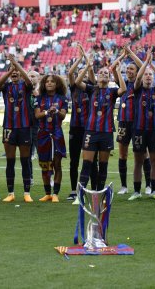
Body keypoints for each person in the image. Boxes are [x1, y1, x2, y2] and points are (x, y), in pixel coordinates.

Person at [74, 52, 126, 199]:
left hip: (106, 132)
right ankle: (80, 195)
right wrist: (88, 67)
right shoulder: (92, 89)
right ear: (97, 76)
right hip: (91, 132)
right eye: (101, 72)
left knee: (103, 165)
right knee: (87, 163)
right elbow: (77, 82)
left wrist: (118, 71)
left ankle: (98, 194)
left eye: (106, 73)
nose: (103, 74)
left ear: (109, 78)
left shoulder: (112, 91)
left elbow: (124, 89)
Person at [0, 53, 34, 203]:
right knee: (10, 161)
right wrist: (10, 69)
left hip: (24, 127)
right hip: (9, 127)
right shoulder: (6, 87)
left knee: (25, 160)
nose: (14, 73)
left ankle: (26, 193)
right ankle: (11, 193)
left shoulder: (25, 86)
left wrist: (16, 65)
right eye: (11, 71)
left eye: (16, 71)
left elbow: (29, 81)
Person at [129, 48, 155, 200]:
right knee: (138, 161)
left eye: (150, 75)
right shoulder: (137, 89)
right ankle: (137, 191)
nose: (148, 77)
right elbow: (137, 78)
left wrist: (152, 66)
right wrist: (145, 64)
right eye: (146, 75)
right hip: (139, 130)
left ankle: (154, 190)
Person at [66, 45, 96, 200]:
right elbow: (71, 73)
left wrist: (88, 64)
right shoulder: (73, 89)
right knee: (74, 161)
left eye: (82, 74)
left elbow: (90, 74)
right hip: (75, 129)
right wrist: (80, 59)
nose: (80, 76)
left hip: (89, 129)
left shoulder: (90, 88)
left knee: (91, 160)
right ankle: (73, 190)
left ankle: (94, 189)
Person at [114, 45, 145, 195]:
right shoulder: (122, 83)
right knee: (123, 154)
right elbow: (113, 68)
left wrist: (131, 53)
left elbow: (143, 66)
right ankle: (124, 186)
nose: (129, 71)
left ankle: (148, 186)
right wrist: (121, 57)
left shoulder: (139, 83)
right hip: (123, 121)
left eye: (132, 69)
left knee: (142, 154)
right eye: (128, 69)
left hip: (138, 122)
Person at [34, 74, 68, 202]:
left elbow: (63, 116)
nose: (49, 83)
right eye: (47, 81)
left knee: (57, 164)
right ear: (43, 84)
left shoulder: (62, 99)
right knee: (45, 165)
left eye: (52, 81)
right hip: (43, 134)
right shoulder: (38, 98)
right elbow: (37, 115)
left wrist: (57, 111)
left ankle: (56, 194)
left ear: (57, 84)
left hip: (57, 134)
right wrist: (48, 111)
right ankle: (47, 193)